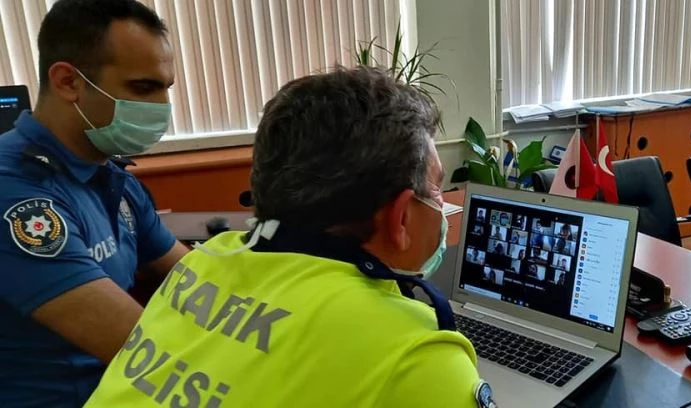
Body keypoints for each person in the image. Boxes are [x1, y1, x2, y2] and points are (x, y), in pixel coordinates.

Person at [85, 67, 493, 407]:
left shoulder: (205, 260)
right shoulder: (414, 355)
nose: (441, 203)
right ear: (401, 217)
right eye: (436, 189)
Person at [0, 1, 187, 406]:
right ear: (69, 82)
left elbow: (194, 278)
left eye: (165, 89)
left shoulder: (112, 176)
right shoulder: (15, 193)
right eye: (143, 88)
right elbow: (142, 349)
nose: (162, 108)